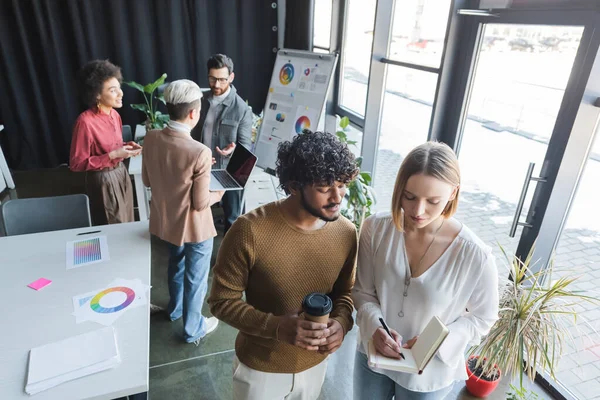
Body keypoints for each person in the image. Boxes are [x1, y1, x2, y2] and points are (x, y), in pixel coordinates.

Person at [208, 131, 359, 400]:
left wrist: (342, 322)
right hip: (260, 369)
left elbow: (345, 294)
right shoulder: (249, 230)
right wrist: (276, 326)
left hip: (315, 365)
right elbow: (221, 301)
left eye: (342, 185)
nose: (338, 197)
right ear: (293, 186)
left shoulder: (347, 232)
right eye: (325, 188)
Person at [352, 142, 499, 400]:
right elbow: (363, 291)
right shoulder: (375, 229)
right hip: (373, 356)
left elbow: (483, 319)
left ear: (453, 193)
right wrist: (375, 326)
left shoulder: (475, 255)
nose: (418, 211)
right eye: (409, 197)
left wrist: (439, 341)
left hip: (429, 373)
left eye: (433, 201)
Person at [142, 79, 223, 344]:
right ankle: (192, 328)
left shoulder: (151, 136)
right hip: (195, 227)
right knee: (196, 278)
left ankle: (174, 310)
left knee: (175, 265)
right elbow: (200, 203)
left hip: (167, 222)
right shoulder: (199, 151)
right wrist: (220, 192)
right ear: (193, 113)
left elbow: (147, 180)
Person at [70, 59, 141, 225]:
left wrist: (126, 147)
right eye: (113, 90)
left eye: (119, 88)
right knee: (113, 226)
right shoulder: (85, 122)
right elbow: (76, 164)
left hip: (121, 173)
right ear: (97, 95)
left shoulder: (114, 115)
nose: (121, 94)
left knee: (128, 220)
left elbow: (110, 147)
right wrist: (114, 154)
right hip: (103, 180)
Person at [191, 53, 252, 234]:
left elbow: (245, 148)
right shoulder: (200, 101)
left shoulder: (241, 109)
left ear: (231, 77)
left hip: (228, 172)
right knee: (199, 214)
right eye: (212, 79)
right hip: (202, 168)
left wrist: (233, 150)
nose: (216, 85)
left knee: (233, 220)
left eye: (222, 80)